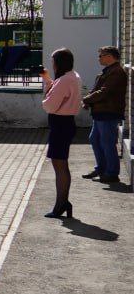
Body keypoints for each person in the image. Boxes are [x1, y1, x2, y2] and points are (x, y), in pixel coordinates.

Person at [41, 48, 82, 218]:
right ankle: (63, 202)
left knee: (60, 166)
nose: (52, 63)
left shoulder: (65, 80)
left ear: (59, 62)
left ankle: (61, 204)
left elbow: (50, 105)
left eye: (53, 60)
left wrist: (45, 99)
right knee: (61, 164)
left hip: (60, 123)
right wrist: (48, 80)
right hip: (66, 123)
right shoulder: (73, 76)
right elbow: (58, 92)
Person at [81, 45, 127, 185]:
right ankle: (102, 168)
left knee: (107, 143)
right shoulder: (108, 71)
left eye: (101, 55)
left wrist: (86, 99)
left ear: (110, 56)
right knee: (95, 139)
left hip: (108, 112)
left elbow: (104, 92)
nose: (99, 58)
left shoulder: (116, 72)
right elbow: (96, 90)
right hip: (100, 112)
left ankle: (112, 173)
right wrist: (88, 101)